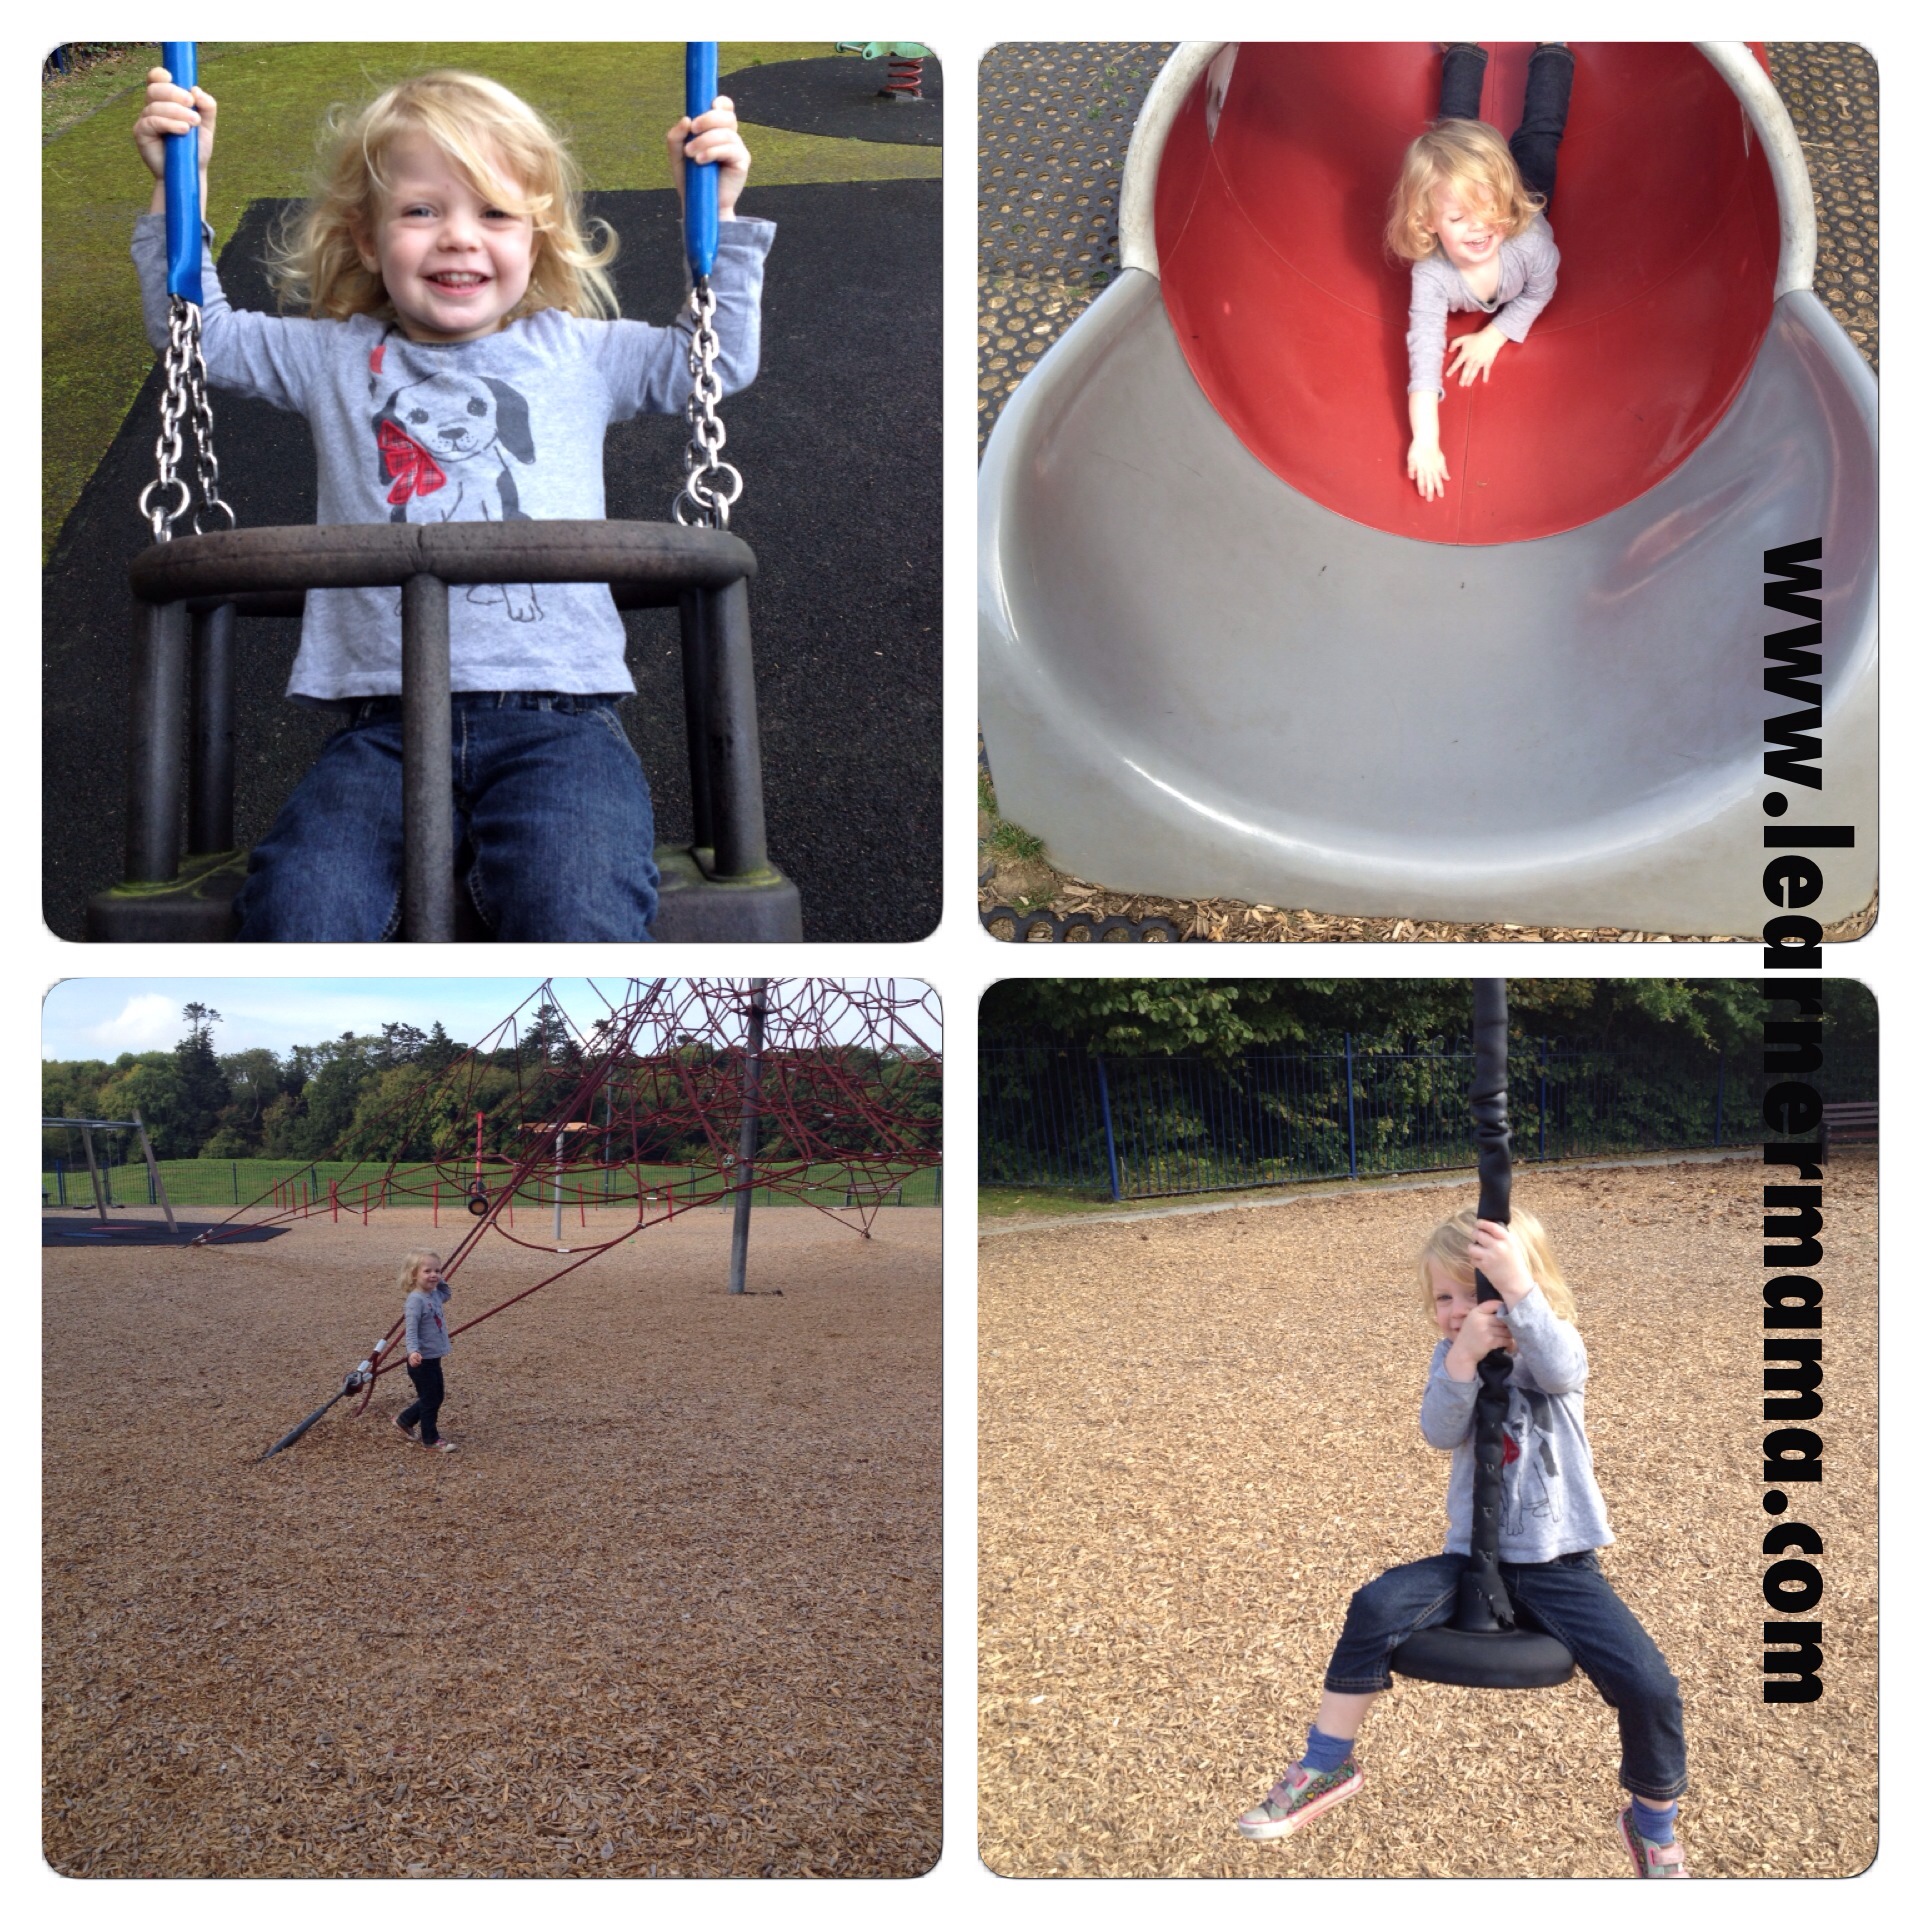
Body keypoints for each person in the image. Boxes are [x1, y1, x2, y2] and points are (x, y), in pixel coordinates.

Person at [131, 64, 771, 939]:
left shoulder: (578, 354)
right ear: (366, 238)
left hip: (561, 723)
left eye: (496, 213)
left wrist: (719, 216)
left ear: (538, 238)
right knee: (301, 905)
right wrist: (180, 194)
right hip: (379, 730)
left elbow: (713, 363)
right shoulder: (332, 358)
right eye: (422, 211)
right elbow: (196, 338)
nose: (459, 239)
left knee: (578, 903)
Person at [1236, 1207, 1689, 1879]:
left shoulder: (1552, 1345)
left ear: (1522, 1288)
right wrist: (1464, 1357)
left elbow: (1561, 1369)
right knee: (1376, 1605)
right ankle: (1327, 1765)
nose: (1455, 1309)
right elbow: (1439, 1429)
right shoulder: (1453, 1357)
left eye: (1473, 1293)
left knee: (1650, 1685)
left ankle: (1652, 1827)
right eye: (1443, 1297)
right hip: (1470, 1561)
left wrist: (1517, 1293)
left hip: (1558, 1563)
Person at [1386, 44, 1574, 502]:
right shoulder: (1431, 276)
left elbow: (1540, 289)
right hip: (1478, 181)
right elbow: (1425, 355)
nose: (1479, 226)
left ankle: (1553, 49)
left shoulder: (1526, 242)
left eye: (1485, 209)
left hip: (1523, 189)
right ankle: (1464, 48)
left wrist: (1496, 334)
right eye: (1457, 218)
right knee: (1453, 130)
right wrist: (1426, 440)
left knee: (1539, 139)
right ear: (1427, 221)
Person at [393, 1249, 456, 1451]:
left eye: (437, 1270)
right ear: (413, 1274)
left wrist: (440, 1279)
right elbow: (410, 1330)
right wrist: (412, 1351)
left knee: (436, 1396)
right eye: (427, 1271)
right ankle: (430, 1439)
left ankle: (405, 1420)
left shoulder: (435, 1294)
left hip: (433, 1357)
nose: (434, 1275)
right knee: (430, 1399)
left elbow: (448, 1293)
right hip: (420, 1360)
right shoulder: (415, 1300)